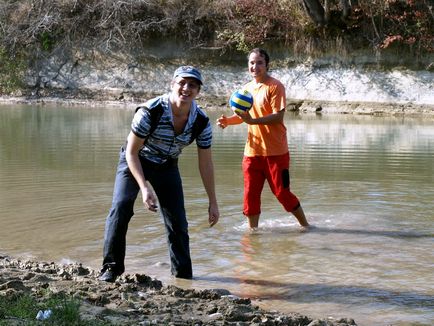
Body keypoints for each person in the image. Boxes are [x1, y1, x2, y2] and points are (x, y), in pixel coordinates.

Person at [99, 65, 220, 282]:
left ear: (198, 92)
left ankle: (183, 278)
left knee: (178, 222)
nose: (186, 88)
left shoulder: (201, 122)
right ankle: (111, 268)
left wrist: (213, 201)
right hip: (135, 160)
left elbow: (206, 165)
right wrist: (144, 188)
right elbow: (132, 152)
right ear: (172, 85)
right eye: (181, 83)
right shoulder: (150, 111)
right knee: (121, 207)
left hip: (166, 165)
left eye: (192, 85)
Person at [216, 48, 310, 230]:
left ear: (267, 65)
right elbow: (244, 117)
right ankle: (253, 233)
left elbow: (278, 116)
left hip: (276, 153)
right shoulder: (246, 89)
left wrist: (253, 121)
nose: (255, 66)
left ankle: (306, 226)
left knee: (282, 193)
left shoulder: (275, 86)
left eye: (259, 62)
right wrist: (228, 121)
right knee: (250, 194)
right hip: (252, 153)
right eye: (252, 62)